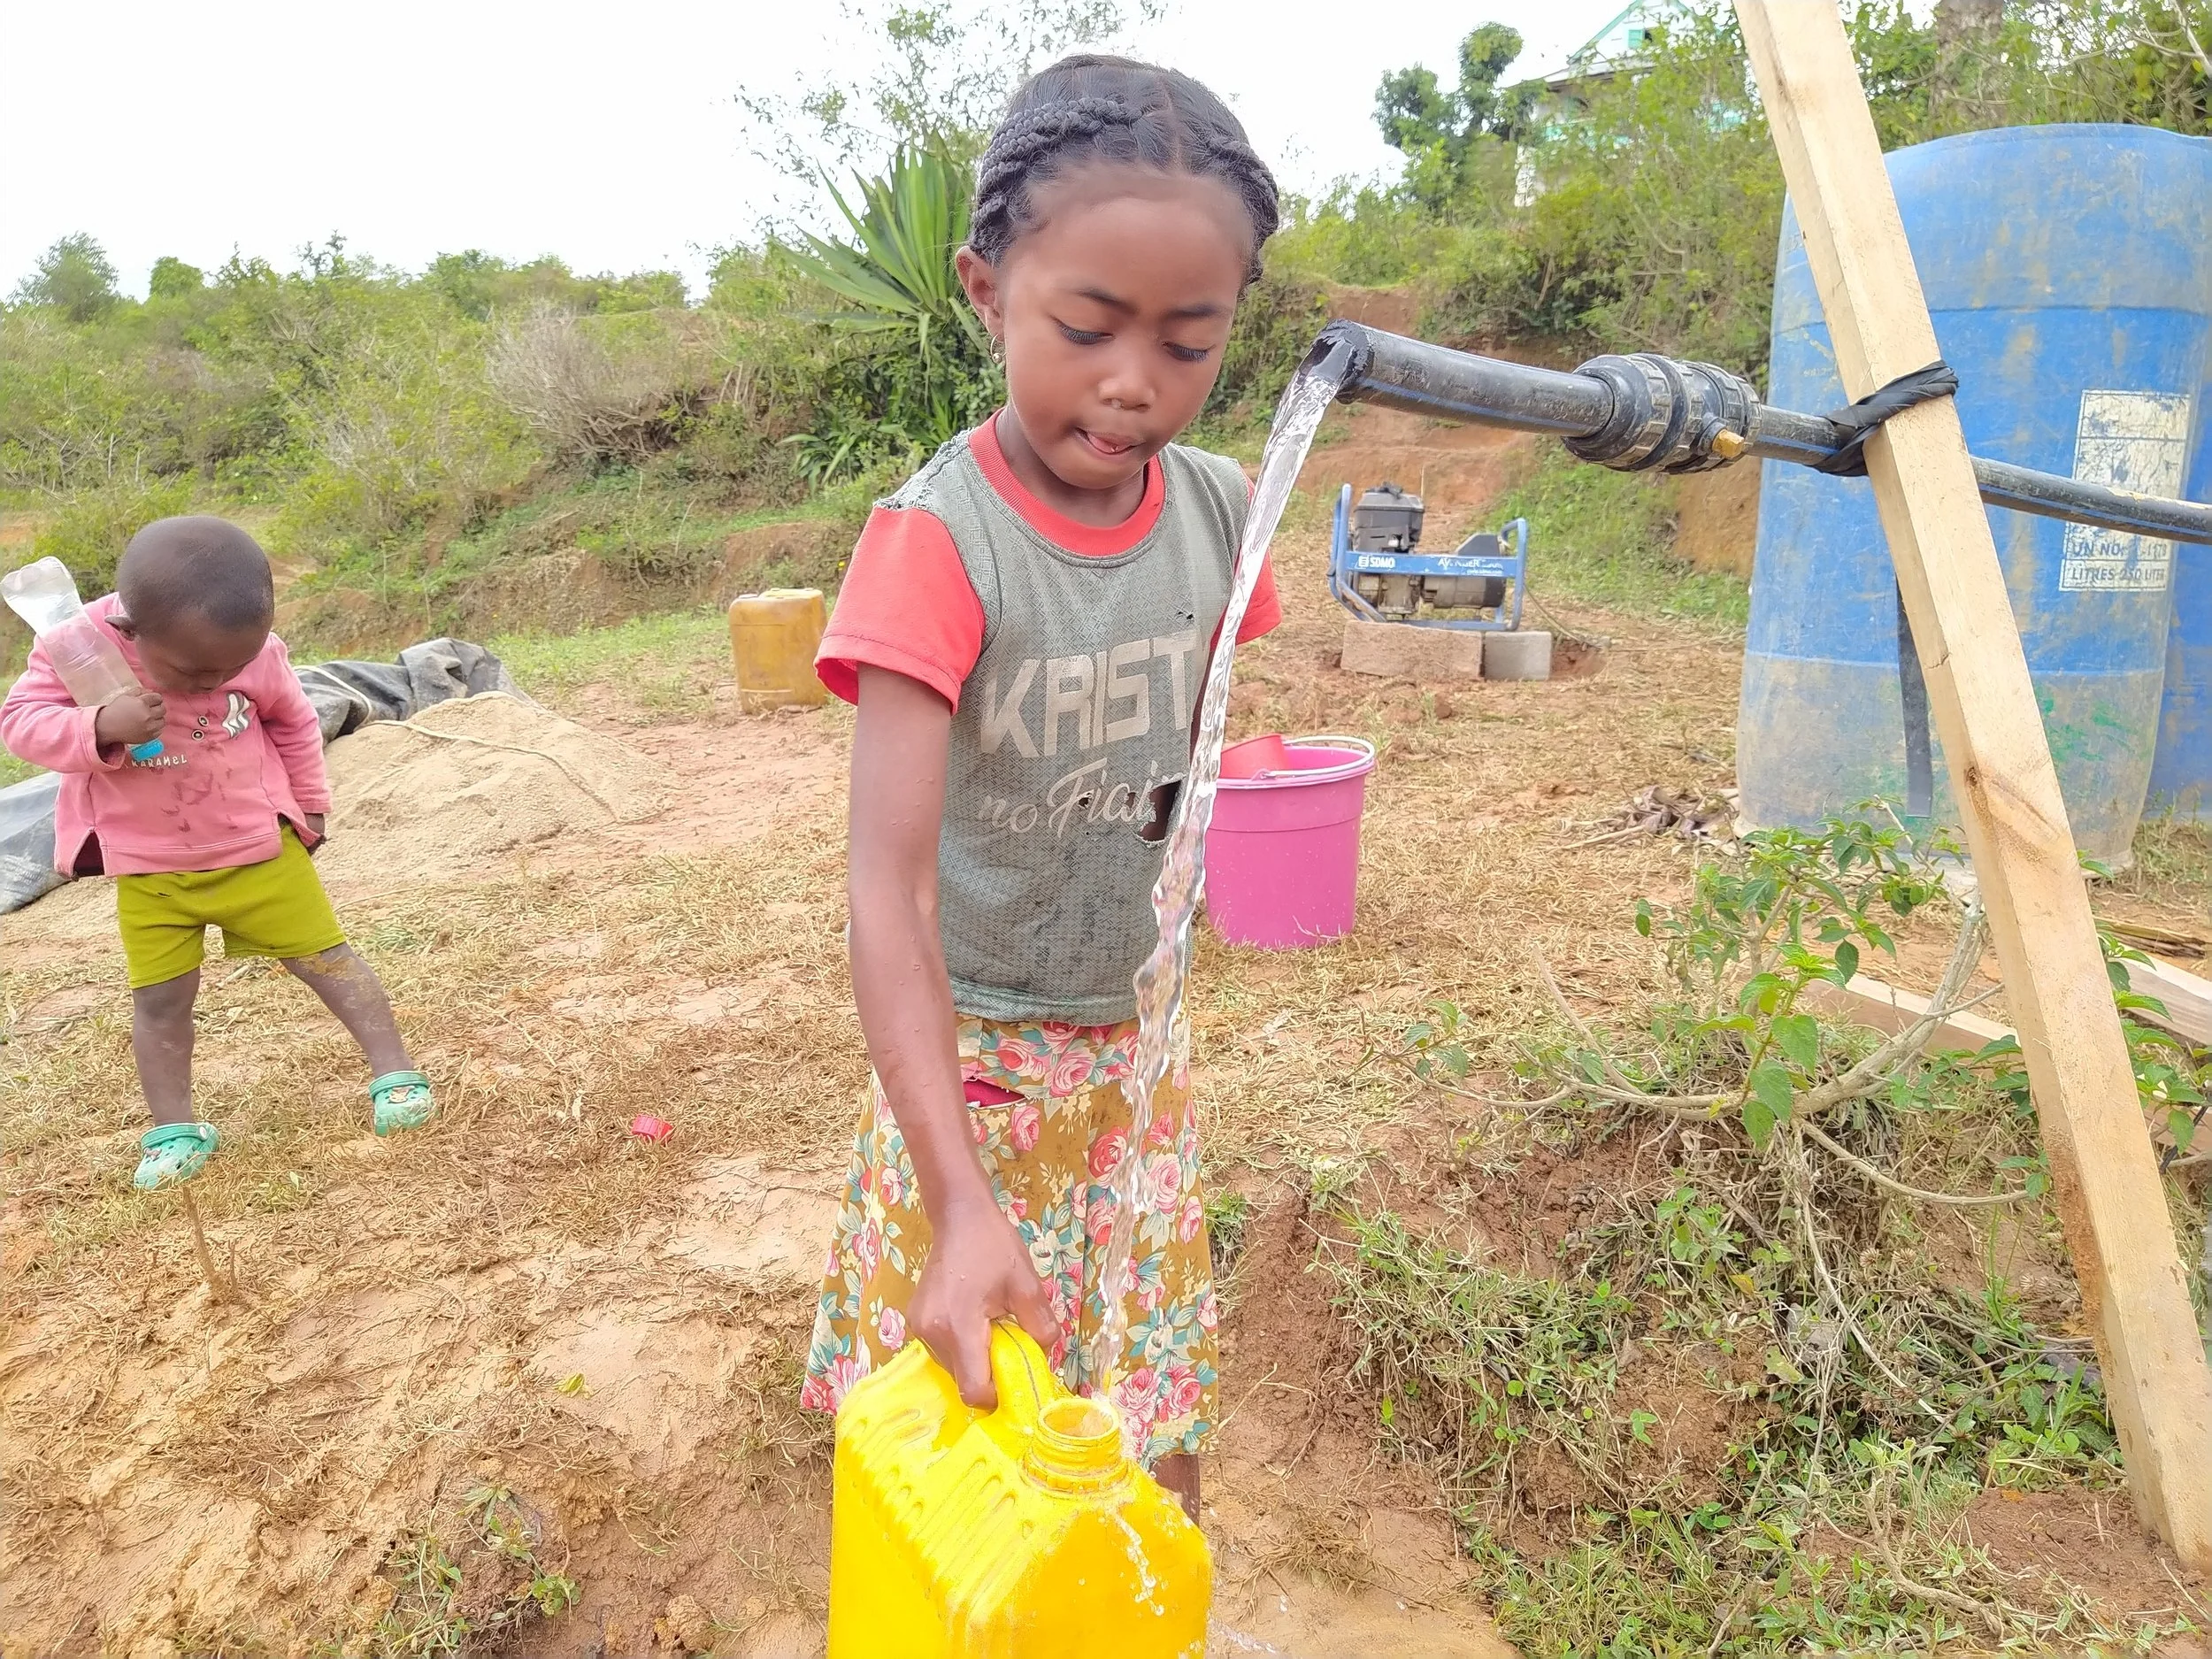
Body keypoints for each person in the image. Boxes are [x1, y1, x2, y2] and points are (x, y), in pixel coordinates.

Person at [799, 54, 1285, 1521]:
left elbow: (1199, 763)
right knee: (971, 1431)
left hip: (1136, 1050)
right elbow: (884, 887)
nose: (1136, 383)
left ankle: (1152, 1600)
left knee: (1151, 1391)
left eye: (1191, 343)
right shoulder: (938, 544)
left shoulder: (1216, 509)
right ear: (985, 286)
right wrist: (956, 1197)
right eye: (1087, 326)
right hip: (984, 1062)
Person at [0, 517, 434, 1190]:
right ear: (129, 632)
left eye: (232, 667)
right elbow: (20, 723)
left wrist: (310, 805)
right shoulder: (75, 647)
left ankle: (394, 1072)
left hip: (258, 849)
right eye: (197, 670)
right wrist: (98, 725)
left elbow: (292, 718)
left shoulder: (251, 653)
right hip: (151, 870)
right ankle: (174, 1127)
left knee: (327, 957)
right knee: (161, 1000)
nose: (215, 683)